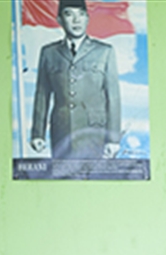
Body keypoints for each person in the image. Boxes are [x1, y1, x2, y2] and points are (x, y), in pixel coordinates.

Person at [30, 0, 121, 160]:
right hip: (61, 130)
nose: (76, 20)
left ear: (88, 19)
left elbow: (113, 98)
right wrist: (38, 134)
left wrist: (113, 139)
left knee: (93, 179)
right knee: (61, 177)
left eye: (81, 15)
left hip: (94, 132)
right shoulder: (49, 53)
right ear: (59, 20)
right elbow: (42, 96)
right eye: (69, 14)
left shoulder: (104, 52)